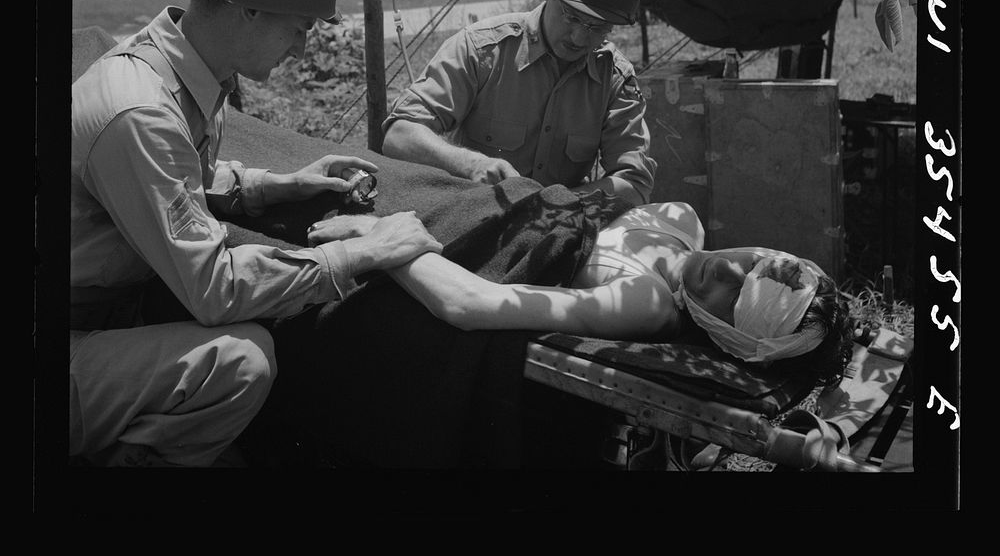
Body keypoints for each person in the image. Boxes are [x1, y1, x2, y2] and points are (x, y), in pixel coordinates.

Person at [70, 0, 442, 468]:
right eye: (298, 29)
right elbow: (214, 290)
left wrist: (277, 184)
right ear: (247, 10)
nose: (300, 49)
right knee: (243, 362)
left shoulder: (181, 75)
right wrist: (365, 251)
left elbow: (174, 179)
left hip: (102, 315)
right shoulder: (141, 111)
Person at [307, 200, 853, 388]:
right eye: (756, 264)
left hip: (438, 237)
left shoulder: (647, 302)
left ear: (731, 339)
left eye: (735, 300)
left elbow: (468, 304)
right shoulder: (680, 222)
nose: (726, 270)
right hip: (484, 205)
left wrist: (376, 240)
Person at [380, 0, 657, 208]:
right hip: (474, 214)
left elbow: (634, 183)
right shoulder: (482, 49)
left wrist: (554, 203)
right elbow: (399, 135)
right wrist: (471, 164)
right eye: (571, 17)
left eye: (598, 28)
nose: (579, 38)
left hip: (563, 220)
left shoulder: (614, 78)